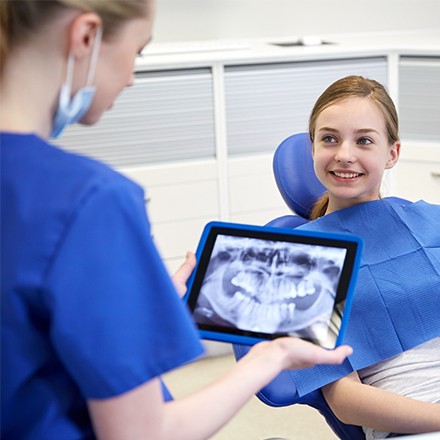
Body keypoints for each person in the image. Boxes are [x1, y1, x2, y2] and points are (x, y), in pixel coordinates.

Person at [0, 1, 352, 439]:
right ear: (85, 36)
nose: (130, 75)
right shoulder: (91, 200)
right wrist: (271, 358)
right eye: (138, 51)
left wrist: (130, 309)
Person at [299, 75, 440, 438]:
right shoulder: (298, 260)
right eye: (329, 138)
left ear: (391, 153)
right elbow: (345, 400)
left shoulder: (433, 222)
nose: (345, 154)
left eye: (364, 140)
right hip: (414, 419)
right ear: (311, 147)